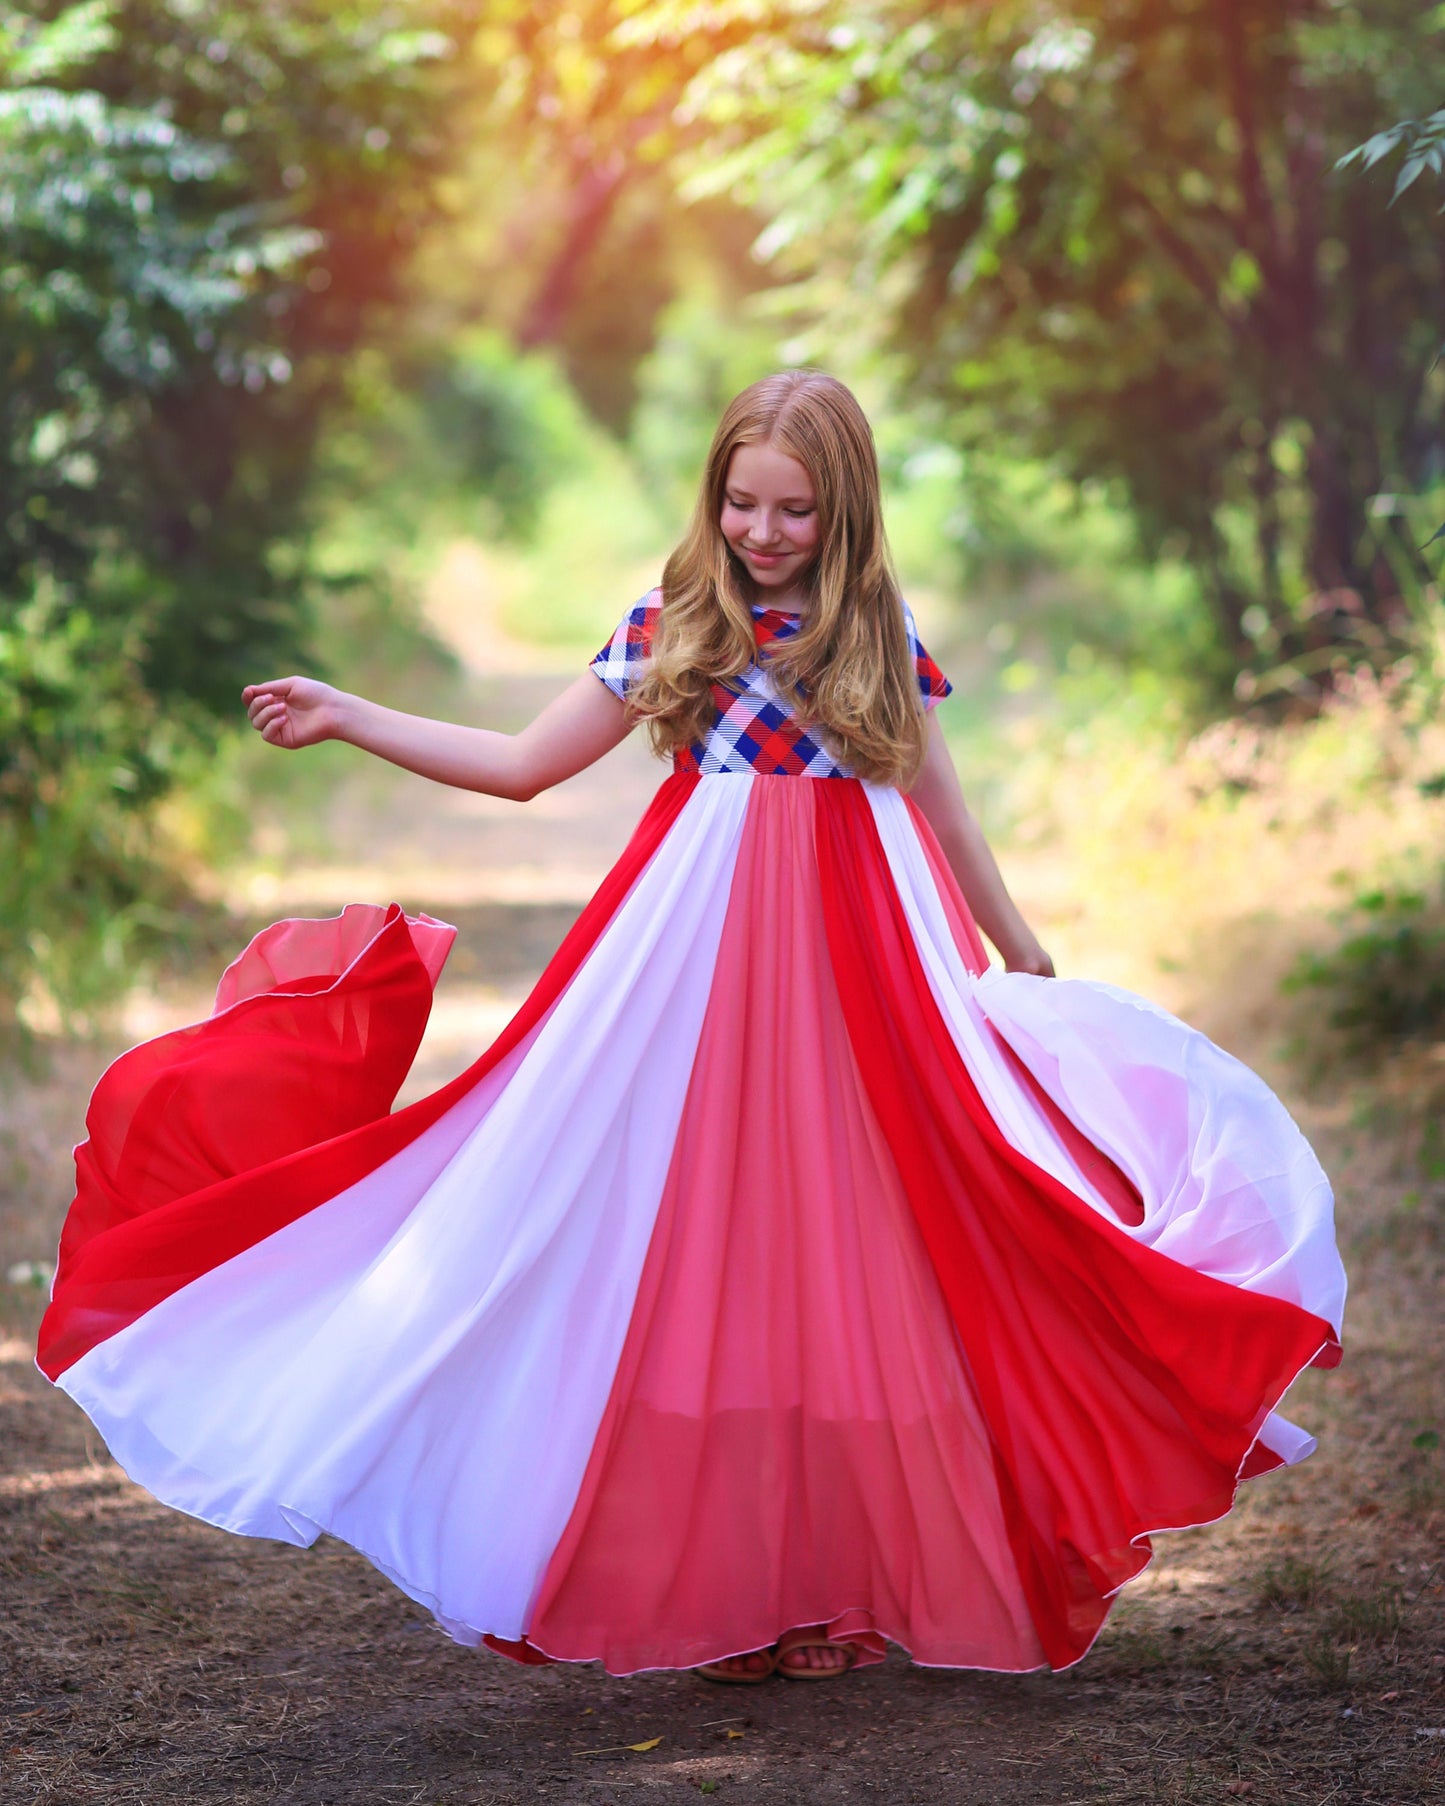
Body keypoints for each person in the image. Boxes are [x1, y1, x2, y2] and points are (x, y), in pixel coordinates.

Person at [37, 369, 1345, 1686]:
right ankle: (730, 1587)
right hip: (692, 968)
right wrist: (348, 714)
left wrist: (1012, 942)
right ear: (712, 495)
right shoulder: (677, 625)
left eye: (794, 511)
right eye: (742, 503)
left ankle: (837, 1580)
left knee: (864, 1239)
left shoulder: (874, 633)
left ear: (844, 513)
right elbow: (520, 764)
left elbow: (940, 803)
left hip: (866, 973)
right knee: (697, 1241)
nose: (763, 534)